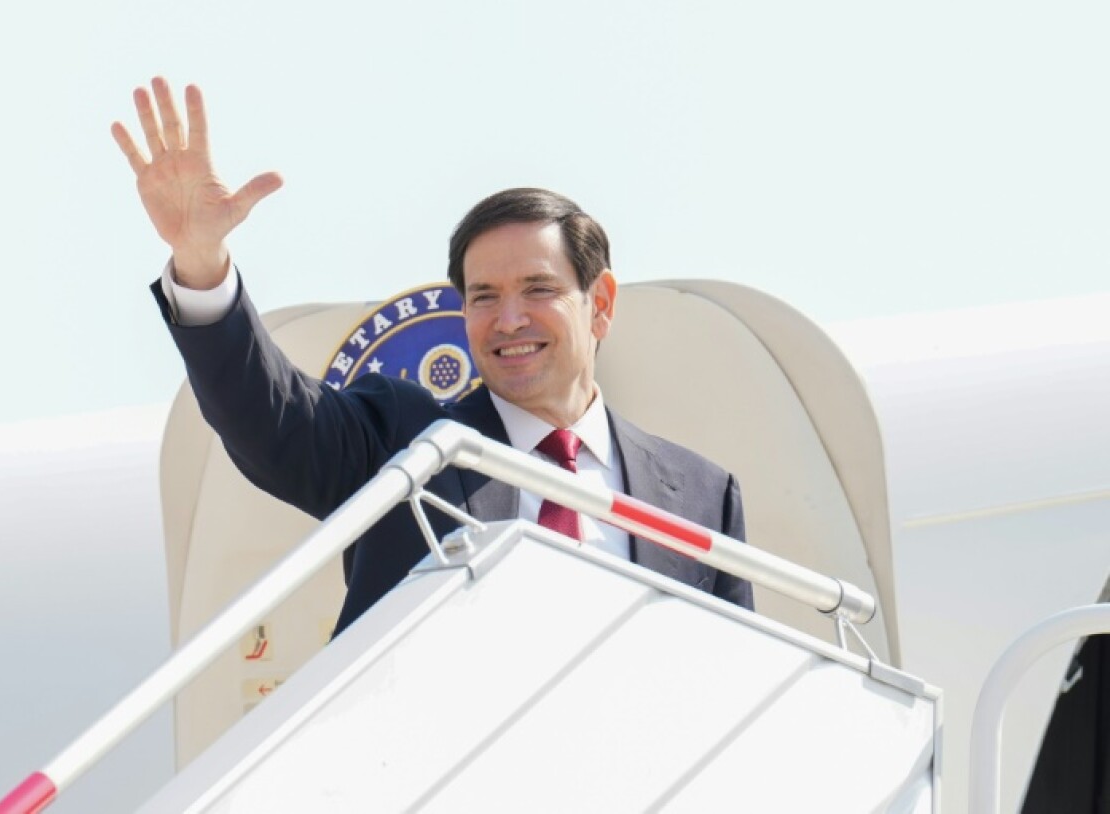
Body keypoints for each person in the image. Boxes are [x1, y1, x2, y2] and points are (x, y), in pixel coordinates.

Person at [113, 77, 754, 634]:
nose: (509, 320)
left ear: (601, 303)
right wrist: (201, 266)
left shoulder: (701, 496)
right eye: (484, 296)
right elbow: (270, 418)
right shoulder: (407, 444)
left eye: (538, 289)